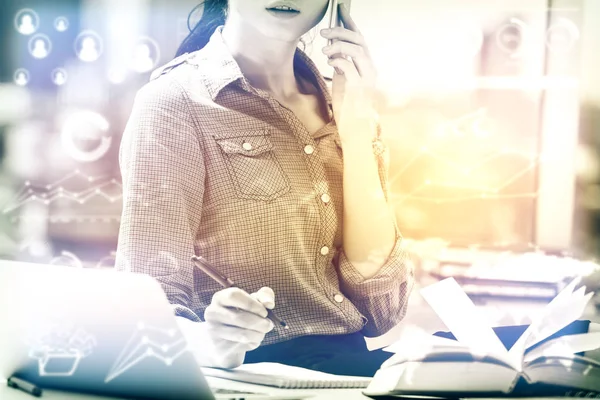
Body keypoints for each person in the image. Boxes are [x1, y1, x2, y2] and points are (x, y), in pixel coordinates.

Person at [116, 0, 413, 377]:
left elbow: (381, 310)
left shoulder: (348, 102)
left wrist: (356, 130)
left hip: (350, 372)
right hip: (252, 375)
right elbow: (145, 308)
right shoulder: (174, 103)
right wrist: (212, 337)